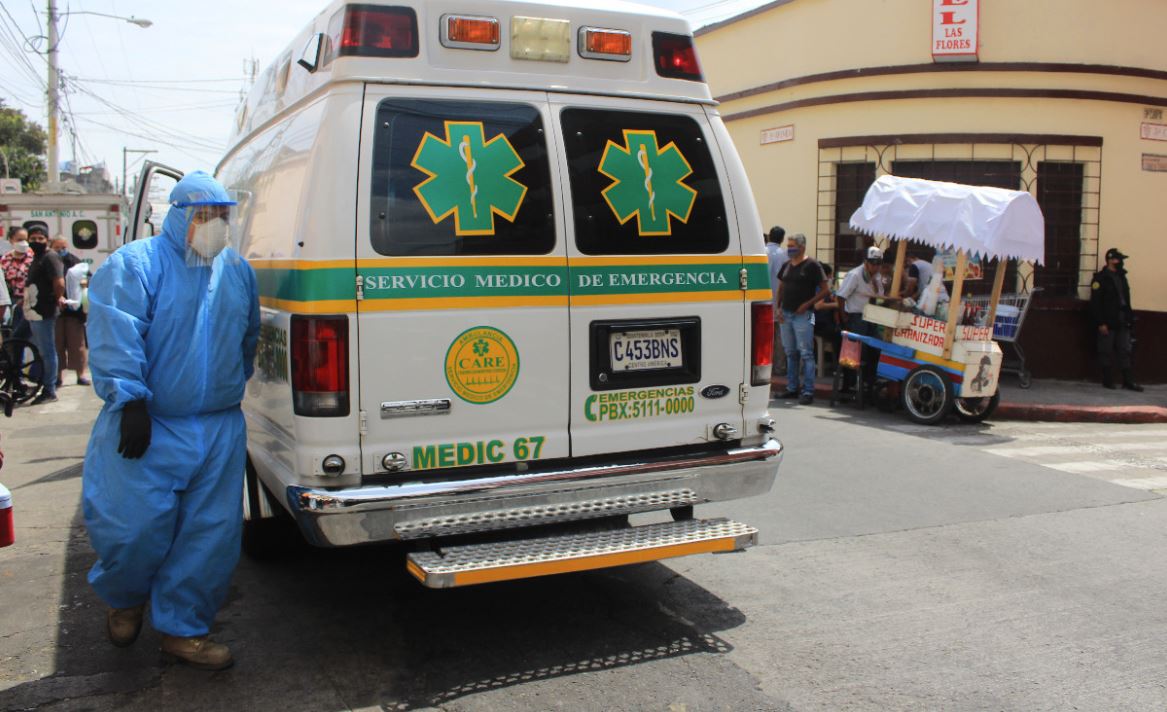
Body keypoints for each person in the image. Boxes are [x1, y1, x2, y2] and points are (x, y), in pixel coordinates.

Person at [83, 171, 260, 671]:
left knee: (209, 537)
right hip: (150, 422)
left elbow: (247, 338)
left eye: (223, 216)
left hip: (218, 426)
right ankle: (125, 598)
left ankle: (185, 631)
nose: (217, 227)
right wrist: (131, 400)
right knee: (131, 530)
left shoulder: (237, 271)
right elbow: (116, 332)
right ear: (180, 217)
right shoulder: (136, 265)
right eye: (206, 217)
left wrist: (229, 387)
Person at [775, 233, 829, 404]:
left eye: (792, 246)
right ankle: (792, 388)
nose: (790, 249)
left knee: (806, 353)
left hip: (805, 315)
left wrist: (807, 304)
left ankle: (808, 391)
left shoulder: (813, 265)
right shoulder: (786, 265)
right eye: (789, 245)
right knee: (790, 352)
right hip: (786, 314)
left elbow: (825, 290)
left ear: (802, 247)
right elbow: (781, 288)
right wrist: (778, 308)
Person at [1089, 247, 1142, 391]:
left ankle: (1128, 381)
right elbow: (1095, 303)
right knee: (1106, 350)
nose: (1121, 262)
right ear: (1110, 260)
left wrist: (1130, 317)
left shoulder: (1122, 277)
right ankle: (1107, 380)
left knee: (1125, 350)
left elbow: (1125, 299)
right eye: (1118, 259)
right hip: (1107, 320)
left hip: (1122, 319)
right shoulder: (1100, 279)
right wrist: (1101, 322)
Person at [836, 246, 887, 393]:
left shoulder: (876, 276)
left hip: (872, 317)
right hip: (856, 317)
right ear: (866, 262)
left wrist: (877, 283)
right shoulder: (855, 275)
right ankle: (848, 386)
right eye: (873, 263)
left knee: (874, 351)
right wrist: (844, 316)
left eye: (878, 263)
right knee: (855, 354)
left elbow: (880, 296)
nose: (876, 266)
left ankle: (868, 383)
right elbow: (840, 296)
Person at [23, 228, 65, 404]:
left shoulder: (50, 257)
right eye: (33, 238)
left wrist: (58, 298)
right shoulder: (36, 257)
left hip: (44, 311)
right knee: (19, 341)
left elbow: (59, 281)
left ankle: (49, 390)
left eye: (40, 238)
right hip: (31, 310)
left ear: (47, 240)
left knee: (47, 351)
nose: (36, 241)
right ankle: (19, 379)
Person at [56, 260, 91, 386]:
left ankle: (80, 375)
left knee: (77, 345)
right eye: (58, 247)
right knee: (57, 345)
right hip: (56, 312)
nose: (61, 250)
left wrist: (84, 283)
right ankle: (57, 376)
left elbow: (88, 278)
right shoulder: (51, 262)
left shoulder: (74, 261)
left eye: (63, 247)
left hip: (75, 313)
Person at [2, 227, 35, 340]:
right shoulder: (5, 259)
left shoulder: (33, 258)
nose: (23, 243)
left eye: (25, 239)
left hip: (28, 302)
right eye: (19, 239)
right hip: (11, 302)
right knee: (11, 334)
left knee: (27, 337)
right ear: (11, 240)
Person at [765, 226, 789, 375]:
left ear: (769, 236)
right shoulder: (784, 255)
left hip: (761, 299)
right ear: (782, 239)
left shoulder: (761, 251)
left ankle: (764, 365)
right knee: (780, 336)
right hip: (780, 300)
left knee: (763, 335)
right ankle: (779, 367)